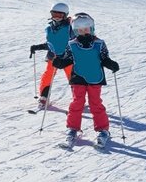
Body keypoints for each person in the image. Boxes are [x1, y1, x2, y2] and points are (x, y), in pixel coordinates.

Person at [50, 13, 120, 149]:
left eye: (86, 29)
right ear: (75, 31)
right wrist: (60, 63)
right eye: (80, 30)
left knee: (95, 103)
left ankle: (103, 130)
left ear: (92, 28)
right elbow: (68, 59)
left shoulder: (99, 43)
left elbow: (104, 58)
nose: (83, 32)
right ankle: (72, 128)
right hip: (78, 77)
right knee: (77, 103)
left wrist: (111, 64)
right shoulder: (72, 44)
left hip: (95, 77)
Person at [29, 2, 73, 110]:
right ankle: (44, 97)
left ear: (65, 15)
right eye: (54, 14)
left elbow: (76, 41)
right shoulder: (49, 28)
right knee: (48, 75)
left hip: (68, 58)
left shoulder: (71, 28)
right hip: (53, 57)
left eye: (60, 15)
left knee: (73, 77)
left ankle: (78, 97)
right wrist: (37, 47)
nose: (57, 17)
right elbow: (50, 44)